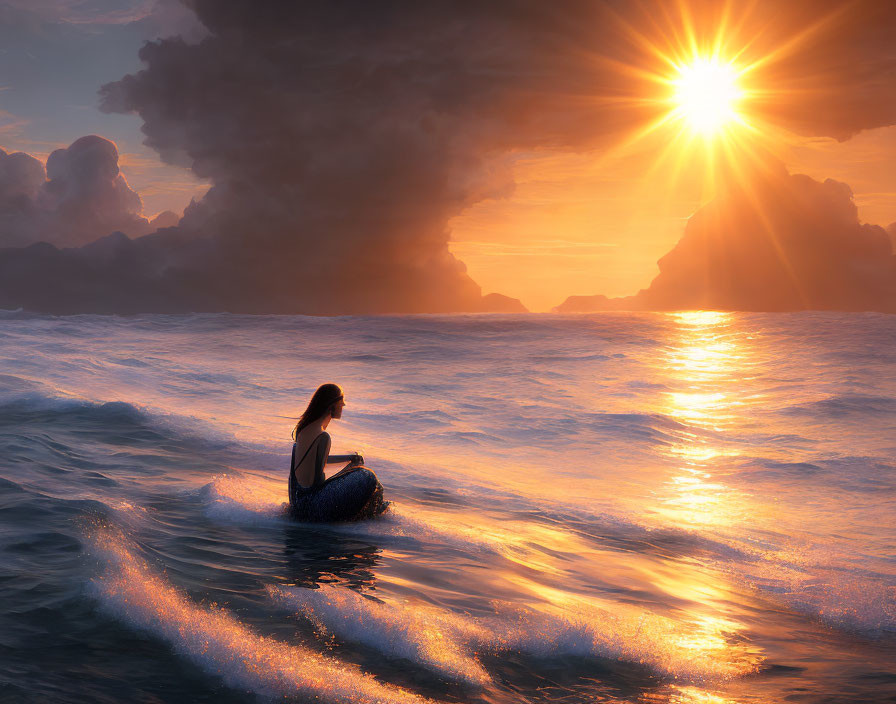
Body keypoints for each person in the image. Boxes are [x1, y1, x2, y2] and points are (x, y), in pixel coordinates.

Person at [288, 383, 386, 521]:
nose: (344, 405)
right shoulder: (323, 437)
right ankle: (369, 516)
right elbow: (318, 483)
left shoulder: (304, 429)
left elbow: (317, 460)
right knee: (367, 475)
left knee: (358, 471)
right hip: (311, 508)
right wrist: (350, 470)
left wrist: (349, 459)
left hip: (297, 501)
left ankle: (374, 511)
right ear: (331, 405)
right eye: (341, 401)